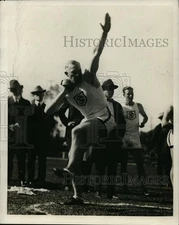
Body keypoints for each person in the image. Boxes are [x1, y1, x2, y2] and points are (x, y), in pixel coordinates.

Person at [45, 13, 116, 204]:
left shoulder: (88, 78)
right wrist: (63, 92)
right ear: (66, 73)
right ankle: (77, 195)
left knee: (76, 131)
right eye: (73, 73)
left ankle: (70, 168)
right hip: (91, 122)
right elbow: (48, 112)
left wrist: (105, 34)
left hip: (105, 119)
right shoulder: (68, 91)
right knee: (74, 152)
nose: (77, 75)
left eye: (78, 71)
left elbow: (96, 53)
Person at [93, 79, 126, 199]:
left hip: (114, 140)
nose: (111, 92)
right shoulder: (97, 104)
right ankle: (98, 191)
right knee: (99, 167)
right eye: (108, 89)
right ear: (103, 90)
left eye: (112, 90)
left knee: (112, 167)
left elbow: (122, 123)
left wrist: (119, 138)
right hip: (101, 139)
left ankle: (110, 192)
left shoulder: (117, 105)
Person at [122, 86, 149, 195]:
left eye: (132, 93)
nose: (130, 95)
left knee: (140, 163)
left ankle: (143, 188)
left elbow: (145, 117)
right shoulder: (121, 107)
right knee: (124, 164)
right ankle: (125, 188)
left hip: (135, 137)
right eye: (128, 94)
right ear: (124, 95)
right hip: (125, 137)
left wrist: (143, 123)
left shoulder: (138, 106)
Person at [29, 85, 55, 187]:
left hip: (43, 139)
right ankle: (30, 179)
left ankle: (41, 180)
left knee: (42, 160)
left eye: (40, 94)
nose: (39, 96)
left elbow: (52, 123)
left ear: (43, 95)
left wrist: (45, 128)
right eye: (36, 94)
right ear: (34, 96)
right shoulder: (30, 108)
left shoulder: (48, 108)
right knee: (31, 159)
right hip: (32, 139)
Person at [8, 80, 32, 186]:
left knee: (21, 158)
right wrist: (9, 126)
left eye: (16, 89)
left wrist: (20, 124)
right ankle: (7, 179)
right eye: (12, 90)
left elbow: (29, 119)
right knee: (8, 159)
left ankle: (21, 179)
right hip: (9, 136)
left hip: (21, 137)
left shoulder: (26, 103)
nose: (14, 92)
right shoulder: (6, 102)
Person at [162, 105, 173, 186]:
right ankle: (175, 189)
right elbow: (164, 123)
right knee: (175, 164)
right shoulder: (171, 106)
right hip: (175, 135)